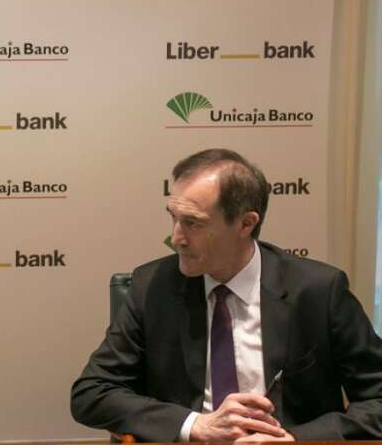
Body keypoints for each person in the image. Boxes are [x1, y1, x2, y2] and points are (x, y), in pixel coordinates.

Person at [70, 148, 382, 442]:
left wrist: (296, 439)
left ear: (246, 223)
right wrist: (195, 425)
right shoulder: (152, 286)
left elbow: (377, 399)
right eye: (174, 217)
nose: (176, 237)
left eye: (193, 223)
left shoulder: (318, 290)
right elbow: (92, 393)